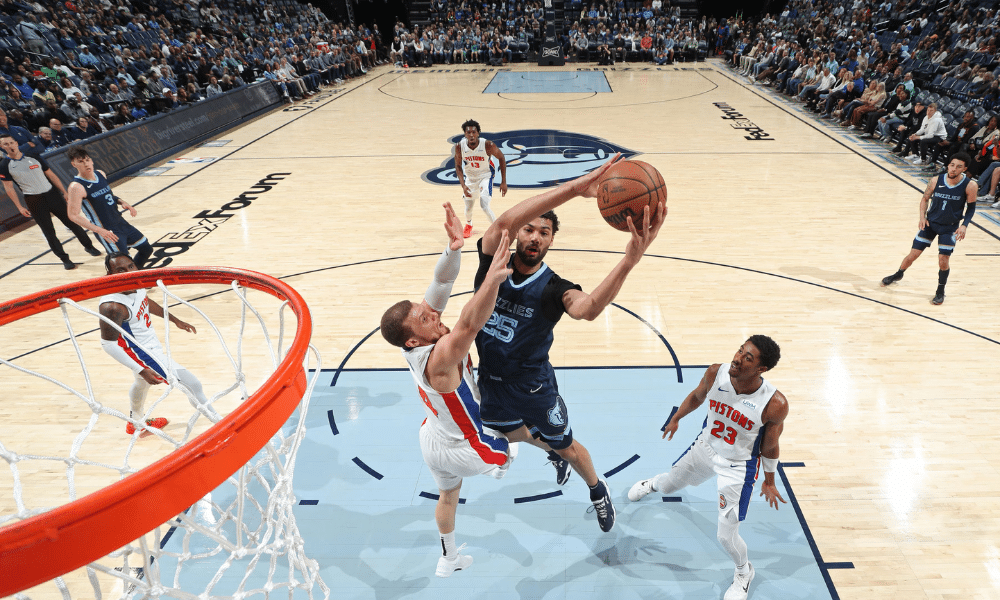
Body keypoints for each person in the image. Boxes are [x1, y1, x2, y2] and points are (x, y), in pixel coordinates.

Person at [474, 154, 667, 533]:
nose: (534, 237)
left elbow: (588, 308)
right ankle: (551, 451)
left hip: (534, 388)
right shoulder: (493, 260)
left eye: (544, 233)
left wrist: (629, 260)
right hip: (490, 382)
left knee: (569, 447)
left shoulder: (554, 287)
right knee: (513, 433)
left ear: (550, 242)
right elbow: (503, 222)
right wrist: (577, 189)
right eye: (529, 230)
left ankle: (597, 489)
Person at [380, 204, 546, 577]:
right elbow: (470, 323)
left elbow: (440, 286)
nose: (434, 315)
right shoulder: (437, 357)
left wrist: (453, 249)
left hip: (432, 438)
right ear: (412, 338)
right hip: (466, 447)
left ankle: (448, 559)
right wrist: (493, 279)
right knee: (509, 439)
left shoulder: (418, 337)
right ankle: (499, 464)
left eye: (429, 312)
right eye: (425, 318)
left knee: (447, 496)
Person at [628, 336, 788, 600]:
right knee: (668, 485)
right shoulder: (717, 372)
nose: (738, 358)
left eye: (748, 357)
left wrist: (769, 481)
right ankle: (652, 484)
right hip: (706, 448)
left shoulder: (774, 403)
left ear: (762, 369)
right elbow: (697, 396)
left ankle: (744, 572)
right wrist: (676, 418)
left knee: (726, 536)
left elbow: (770, 447)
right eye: (740, 350)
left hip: (738, 467)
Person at [99, 253, 212, 435]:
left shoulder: (136, 283)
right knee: (193, 384)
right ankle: (220, 422)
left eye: (130, 266)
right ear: (109, 274)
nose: (128, 272)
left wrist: (174, 319)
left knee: (141, 384)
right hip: (143, 354)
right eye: (120, 270)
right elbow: (108, 344)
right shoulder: (112, 306)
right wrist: (141, 368)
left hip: (150, 345)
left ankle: (135, 422)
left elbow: (145, 301)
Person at [881, 153, 977, 305]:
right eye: (952, 165)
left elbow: (971, 208)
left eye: (958, 167)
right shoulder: (936, 180)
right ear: (948, 165)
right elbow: (925, 198)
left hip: (949, 228)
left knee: (943, 260)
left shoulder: (970, 185)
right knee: (912, 255)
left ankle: (940, 290)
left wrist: (964, 225)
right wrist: (922, 217)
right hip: (930, 224)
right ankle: (898, 274)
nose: (953, 169)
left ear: (964, 169)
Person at [0, 134, 101, 270]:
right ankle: (64, 259)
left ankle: (89, 246)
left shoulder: (33, 156)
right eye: (5, 144)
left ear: (17, 143)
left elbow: (51, 174)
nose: (10, 146)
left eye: (11, 142)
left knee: (72, 221)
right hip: (33, 200)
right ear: (2, 147)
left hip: (52, 194)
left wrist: (65, 192)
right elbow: (9, 188)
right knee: (49, 232)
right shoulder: (5, 165)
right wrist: (19, 206)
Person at [64, 145, 154, 268]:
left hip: (122, 223)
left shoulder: (100, 174)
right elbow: (73, 215)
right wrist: (99, 230)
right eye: (81, 162)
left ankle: (135, 279)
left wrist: (122, 202)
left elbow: (109, 195)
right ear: (74, 164)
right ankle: (128, 286)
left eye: (87, 160)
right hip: (107, 230)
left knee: (146, 249)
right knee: (121, 263)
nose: (86, 164)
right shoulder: (76, 187)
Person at [453, 119, 508, 239]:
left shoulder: (488, 145)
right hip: (470, 178)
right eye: (468, 133)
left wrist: (503, 182)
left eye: (474, 132)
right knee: (468, 208)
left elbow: (501, 158)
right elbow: (457, 166)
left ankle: (498, 229)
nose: (471, 135)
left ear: (478, 133)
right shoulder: (459, 147)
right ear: (465, 134)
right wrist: (463, 185)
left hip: (485, 176)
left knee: (484, 205)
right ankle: (469, 224)